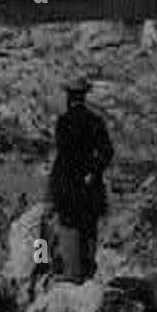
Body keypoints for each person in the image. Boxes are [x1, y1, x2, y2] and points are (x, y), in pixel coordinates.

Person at [48, 78, 114, 281]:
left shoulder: (64, 121)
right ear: (84, 96)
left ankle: (72, 276)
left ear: (69, 97)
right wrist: (92, 172)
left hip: (68, 186)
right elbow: (107, 152)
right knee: (89, 230)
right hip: (89, 188)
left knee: (69, 229)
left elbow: (64, 153)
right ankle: (88, 274)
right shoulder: (96, 121)